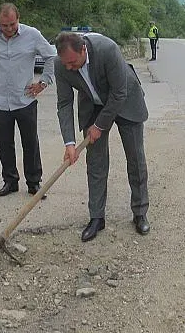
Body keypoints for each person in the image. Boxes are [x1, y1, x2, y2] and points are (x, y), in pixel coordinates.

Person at [54, 31, 151, 242]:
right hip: (93, 105)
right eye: (66, 64)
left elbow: (119, 93)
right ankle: (97, 217)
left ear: (83, 50)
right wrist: (69, 142)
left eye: (72, 62)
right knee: (96, 163)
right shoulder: (61, 64)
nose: (69, 68)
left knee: (135, 159)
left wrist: (99, 126)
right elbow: (64, 103)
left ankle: (140, 212)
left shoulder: (107, 49)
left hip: (125, 99)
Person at [0, 3, 56, 197]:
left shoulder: (32, 35)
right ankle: (10, 181)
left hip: (25, 99)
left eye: (12, 24)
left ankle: (34, 182)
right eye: (4, 25)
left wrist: (44, 82)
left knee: (30, 142)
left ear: (18, 19)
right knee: (4, 143)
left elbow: (51, 57)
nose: (8, 29)